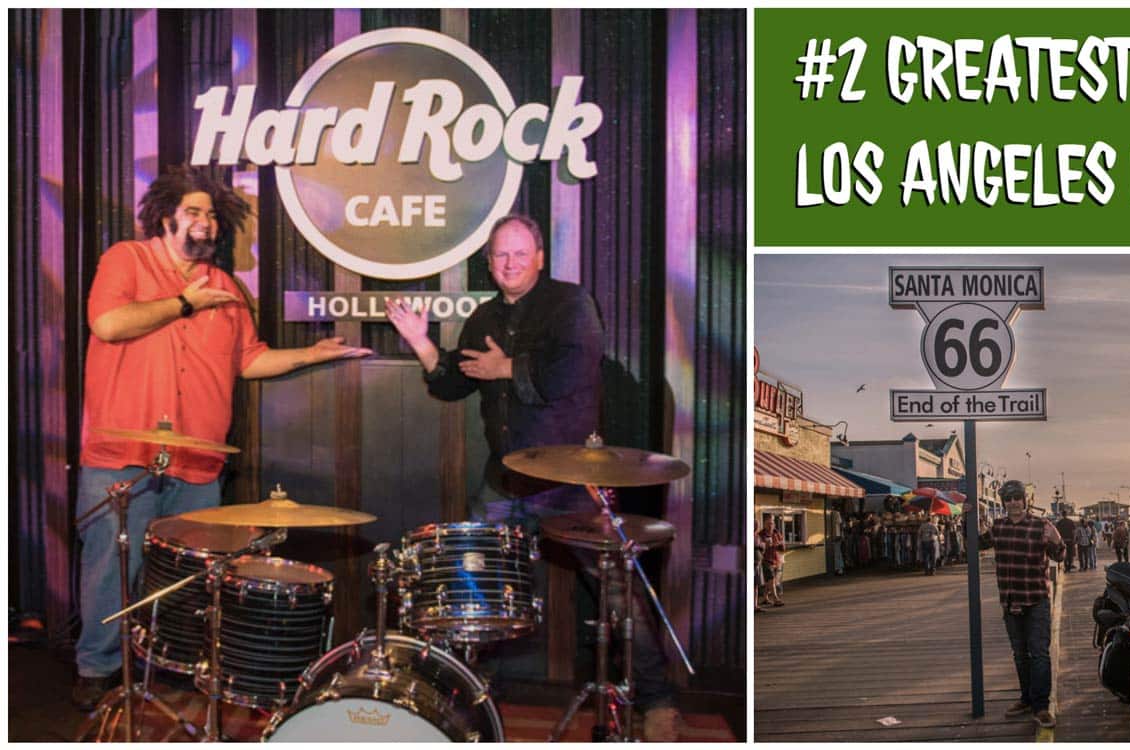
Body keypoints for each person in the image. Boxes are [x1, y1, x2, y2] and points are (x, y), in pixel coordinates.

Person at [72, 166, 372, 710]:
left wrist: (311, 354)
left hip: (199, 463)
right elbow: (109, 324)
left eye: (212, 215)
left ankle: (173, 670)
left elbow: (249, 360)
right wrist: (185, 303)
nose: (206, 223)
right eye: (194, 212)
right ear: (166, 217)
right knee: (110, 572)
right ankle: (98, 671)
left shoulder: (226, 288)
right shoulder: (127, 260)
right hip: (125, 458)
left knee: (189, 582)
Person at [387, 214, 681, 739]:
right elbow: (453, 383)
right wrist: (421, 342)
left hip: (569, 482)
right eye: (500, 255)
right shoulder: (482, 317)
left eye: (519, 254)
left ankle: (657, 700)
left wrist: (509, 369)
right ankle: (472, 693)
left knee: (615, 591)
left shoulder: (571, 305)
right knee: (478, 586)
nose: (509, 264)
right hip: (505, 481)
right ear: (490, 261)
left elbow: (573, 372)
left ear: (540, 257)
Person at [990, 480, 1063, 729]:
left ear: (1025, 500)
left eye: (1017, 497)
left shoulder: (1040, 525)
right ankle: (1026, 698)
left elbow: (1060, 556)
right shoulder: (997, 527)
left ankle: (1041, 706)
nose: (1013, 502)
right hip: (1011, 599)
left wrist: (1057, 540)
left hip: (1036, 599)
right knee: (1020, 655)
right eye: (1008, 498)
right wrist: (967, 513)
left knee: (1039, 654)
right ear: (1003, 503)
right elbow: (974, 544)